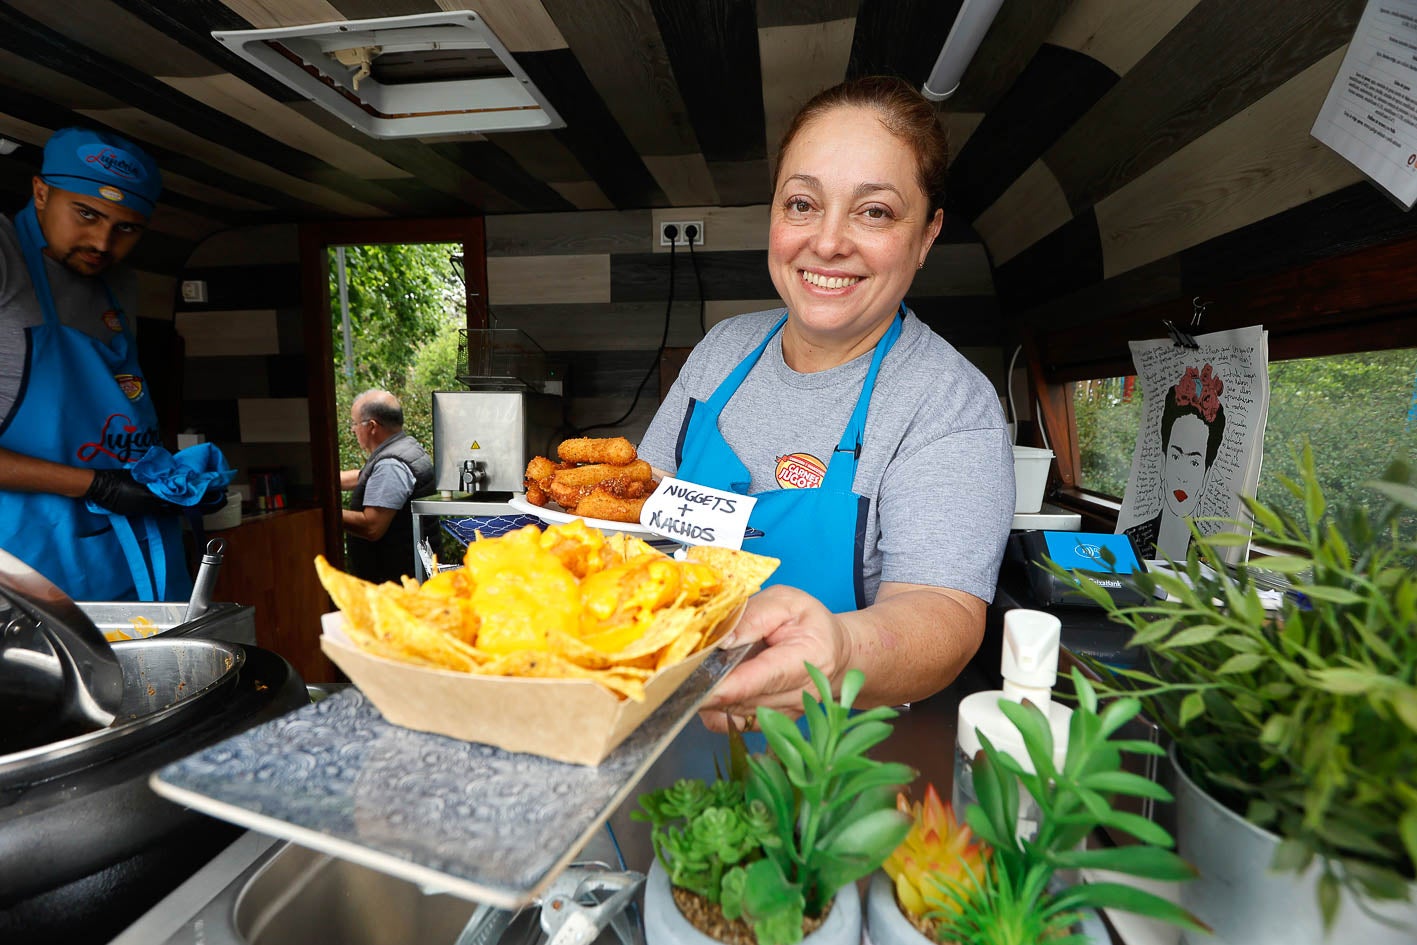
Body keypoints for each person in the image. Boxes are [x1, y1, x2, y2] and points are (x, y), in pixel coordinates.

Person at [637, 76, 1015, 732]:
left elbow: (941, 615)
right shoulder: (721, 350)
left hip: (828, 770)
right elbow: (641, 512)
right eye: (802, 203)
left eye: (873, 211)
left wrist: (836, 654)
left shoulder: (947, 402)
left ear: (926, 236)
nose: (828, 241)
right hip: (655, 726)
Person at [0, 126, 195, 602]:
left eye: (126, 227)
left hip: (115, 546)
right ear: (41, 192)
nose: (103, 242)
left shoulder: (119, 283)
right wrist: (99, 486)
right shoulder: (5, 256)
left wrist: (170, 479)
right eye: (86, 214)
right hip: (25, 556)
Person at [1124, 363, 1227, 559]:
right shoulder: (1131, 541)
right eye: (1176, 456)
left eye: (1195, 463)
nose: (1182, 476)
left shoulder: (1210, 557)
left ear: (1206, 476)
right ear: (1163, 464)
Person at [340, 389, 434, 583]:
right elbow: (365, 478)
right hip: (407, 575)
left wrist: (323, 511)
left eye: (355, 423)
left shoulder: (391, 465)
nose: (352, 429)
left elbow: (371, 527)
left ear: (372, 426)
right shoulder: (405, 447)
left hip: (396, 583)